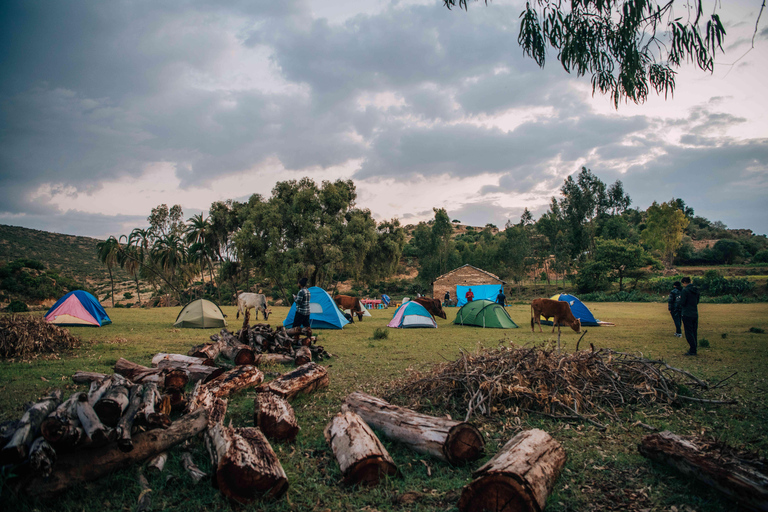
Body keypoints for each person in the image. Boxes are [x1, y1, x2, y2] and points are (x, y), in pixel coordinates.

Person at [679, 276, 700, 356]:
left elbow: (683, 302)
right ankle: (694, 348)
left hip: (687, 313)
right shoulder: (696, 290)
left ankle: (692, 350)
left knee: (688, 332)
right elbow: (697, 301)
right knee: (694, 332)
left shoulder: (685, 291)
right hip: (695, 313)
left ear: (684, 282)